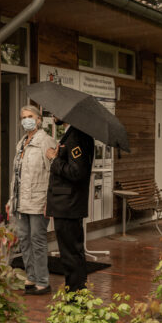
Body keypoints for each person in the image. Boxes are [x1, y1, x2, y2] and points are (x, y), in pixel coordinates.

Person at [8, 106, 57, 295]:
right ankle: (31, 277)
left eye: (30, 117)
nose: (26, 120)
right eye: (23, 117)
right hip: (20, 202)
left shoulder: (46, 141)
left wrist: (48, 201)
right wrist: (11, 199)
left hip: (38, 201)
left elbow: (53, 174)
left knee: (38, 240)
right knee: (24, 240)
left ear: (38, 120)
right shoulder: (21, 143)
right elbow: (17, 175)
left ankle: (43, 281)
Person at [45, 118, 95, 292]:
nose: (53, 115)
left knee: (70, 255)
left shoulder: (77, 136)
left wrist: (53, 159)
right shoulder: (71, 135)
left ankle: (75, 297)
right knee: (71, 254)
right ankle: (76, 293)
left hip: (68, 204)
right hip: (66, 204)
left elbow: (77, 172)